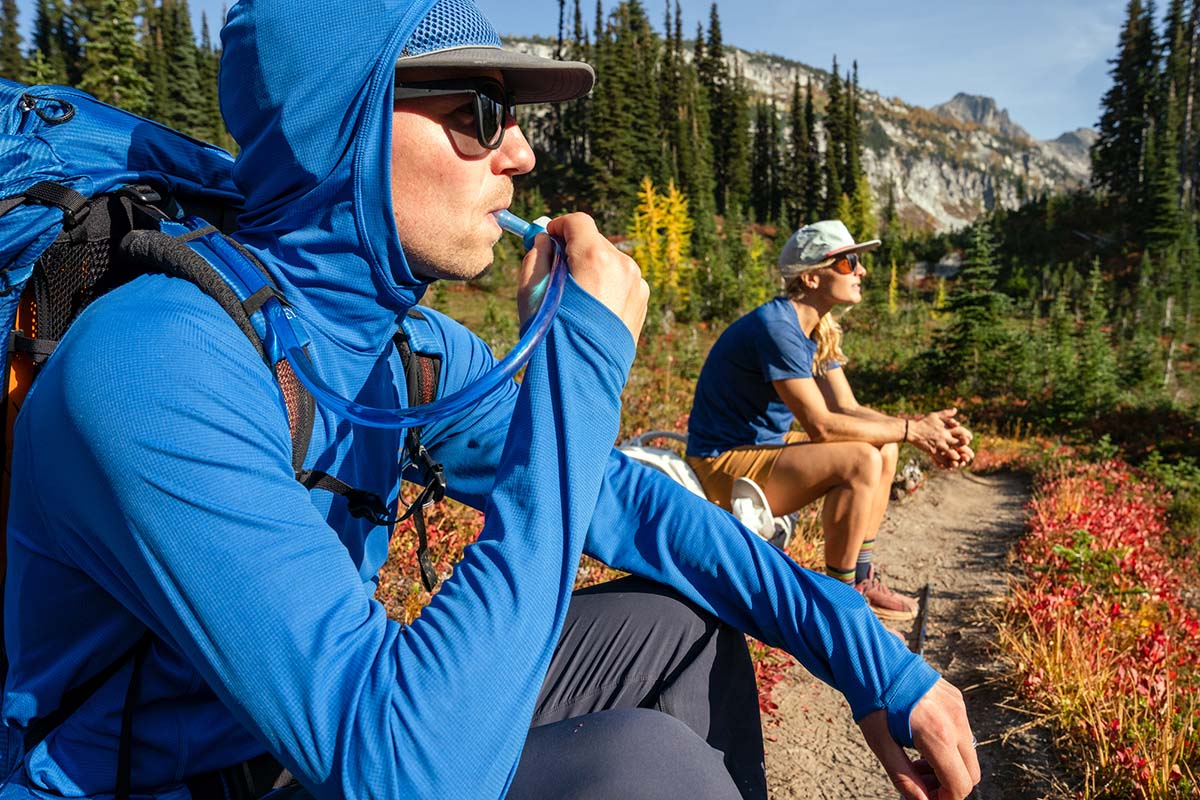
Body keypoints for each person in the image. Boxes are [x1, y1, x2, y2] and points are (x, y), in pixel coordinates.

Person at [0, 3, 980, 799]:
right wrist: (577, 362)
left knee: (678, 617)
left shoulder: (402, 342)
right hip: (217, 776)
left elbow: (633, 506)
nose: (519, 156)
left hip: (311, 747)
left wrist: (880, 665)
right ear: (337, 125)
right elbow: (407, 771)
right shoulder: (155, 362)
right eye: (479, 111)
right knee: (652, 768)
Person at [687, 220, 975, 622]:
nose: (861, 271)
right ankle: (838, 603)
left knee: (884, 447)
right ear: (810, 277)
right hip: (721, 464)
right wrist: (915, 430)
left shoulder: (814, 328)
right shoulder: (778, 327)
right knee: (859, 460)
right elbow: (822, 425)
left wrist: (927, 432)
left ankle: (861, 577)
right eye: (847, 262)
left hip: (762, 450)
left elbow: (849, 409)